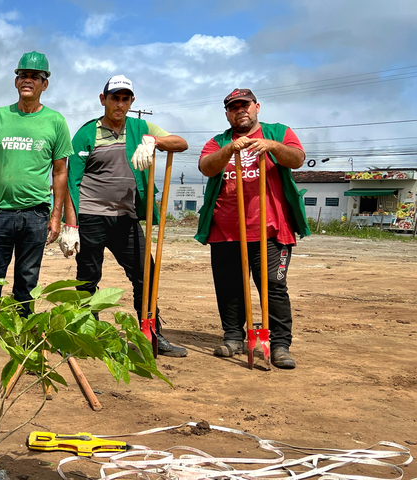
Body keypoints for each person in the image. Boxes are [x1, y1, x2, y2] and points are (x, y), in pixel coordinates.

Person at [62, 75, 189, 357]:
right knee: (88, 277)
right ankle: (86, 334)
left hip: (126, 217)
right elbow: (72, 181)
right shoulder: (87, 132)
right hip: (92, 215)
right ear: (103, 99)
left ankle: (151, 332)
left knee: (146, 274)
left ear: (131, 101)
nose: (119, 104)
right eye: (114, 98)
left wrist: (154, 141)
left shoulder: (140, 128)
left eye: (125, 99)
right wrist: (70, 224)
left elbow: (181, 143)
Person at [0, 51, 73, 354]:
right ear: (16, 81)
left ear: (44, 84)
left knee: (28, 279)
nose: (28, 80)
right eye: (23, 75)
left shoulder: (55, 121)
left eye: (35, 77)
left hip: (36, 214)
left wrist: (56, 217)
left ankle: (22, 330)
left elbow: (60, 172)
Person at [196, 88, 309, 369]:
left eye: (245, 105)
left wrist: (272, 146)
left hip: (270, 229)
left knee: (273, 287)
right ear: (227, 114)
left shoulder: (278, 132)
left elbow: (297, 159)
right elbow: (206, 167)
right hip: (226, 230)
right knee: (229, 288)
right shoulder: (218, 141)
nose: (240, 111)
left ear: (257, 107)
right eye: (233, 107)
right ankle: (234, 337)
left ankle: (280, 344)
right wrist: (229, 150)